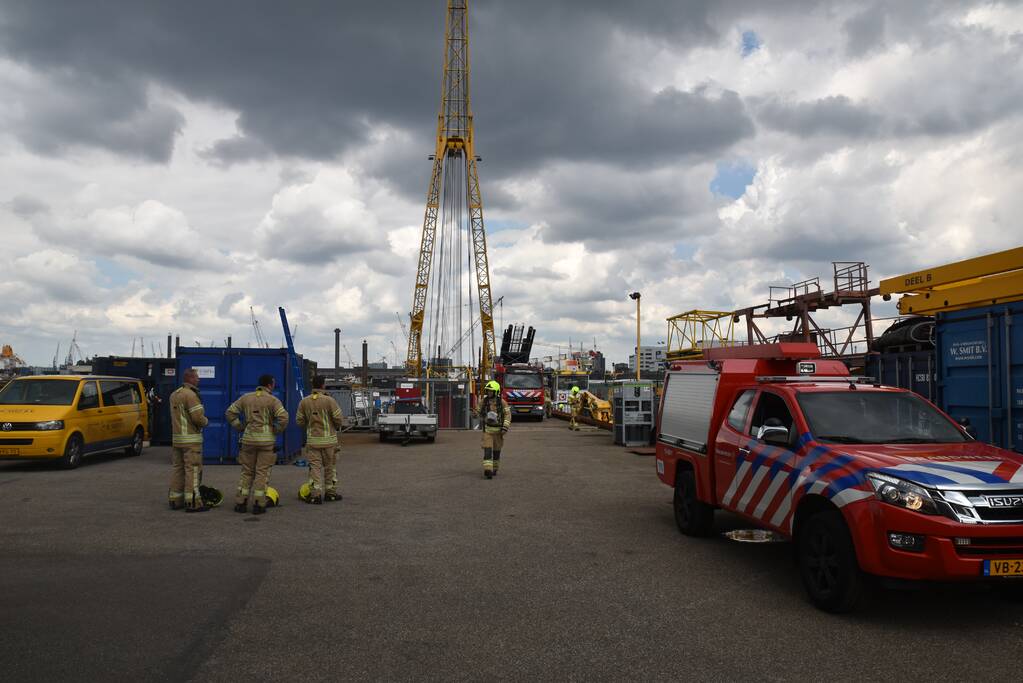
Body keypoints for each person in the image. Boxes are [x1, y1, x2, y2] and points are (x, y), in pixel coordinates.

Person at [226, 374, 288, 515]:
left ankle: (240, 503)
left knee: (247, 472)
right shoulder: (273, 400)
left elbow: (229, 413)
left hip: (248, 440)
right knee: (262, 472)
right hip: (266, 442)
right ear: (270, 385)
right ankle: (258, 504)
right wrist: (276, 429)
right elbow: (284, 418)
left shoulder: (245, 398)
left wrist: (240, 427)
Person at [296, 375, 344, 504]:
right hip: (329, 441)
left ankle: (315, 495)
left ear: (313, 385)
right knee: (330, 467)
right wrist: (334, 426)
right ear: (323, 385)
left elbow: (299, 421)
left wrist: (310, 426)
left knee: (315, 468)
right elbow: (339, 419)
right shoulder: (330, 401)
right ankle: (331, 493)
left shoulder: (304, 402)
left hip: (313, 441)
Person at [169, 368, 209, 512]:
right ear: (190, 378)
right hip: (191, 440)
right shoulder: (191, 395)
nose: (199, 380)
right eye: (197, 377)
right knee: (192, 470)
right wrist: (206, 422)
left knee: (178, 469)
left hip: (177, 439)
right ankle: (192, 502)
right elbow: (197, 417)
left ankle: (175, 499)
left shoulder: (174, 394)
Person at [478, 380, 511, 479]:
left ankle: (495, 468)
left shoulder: (502, 403)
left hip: (498, 431)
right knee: (487, 450)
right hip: (488, 430)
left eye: (491, 391)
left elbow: (508, 415)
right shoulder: (484, 402)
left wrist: (505, 427)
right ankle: (488, 470)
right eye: (488, 391)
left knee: (496, 452)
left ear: (496, 392)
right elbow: (478, 411)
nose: (489, 393)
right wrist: (475, 413)